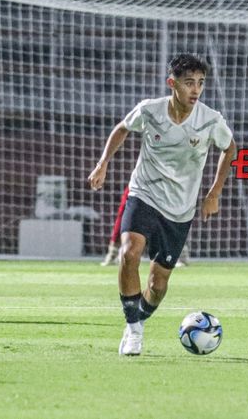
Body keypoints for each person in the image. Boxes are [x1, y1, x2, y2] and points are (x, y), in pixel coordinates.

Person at [88, 53, 236, 355]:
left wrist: (214, 193)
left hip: (180, 210)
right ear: (172, 83)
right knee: (129, 253)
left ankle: (137, 318)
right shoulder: (150, 110)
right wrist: (103, 163)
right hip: (144, 194)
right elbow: (122, 128)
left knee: (157, 285)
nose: (195, 90)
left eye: (200, 84)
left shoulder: (210, 119)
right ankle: (133, 331)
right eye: (188, 83)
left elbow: (230, 149)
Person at [99, 185, 191, 267]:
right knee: (125, 210)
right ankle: (113, 253)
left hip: (167, 181)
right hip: (142, 181)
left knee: (170, 213)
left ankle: (180, 254)